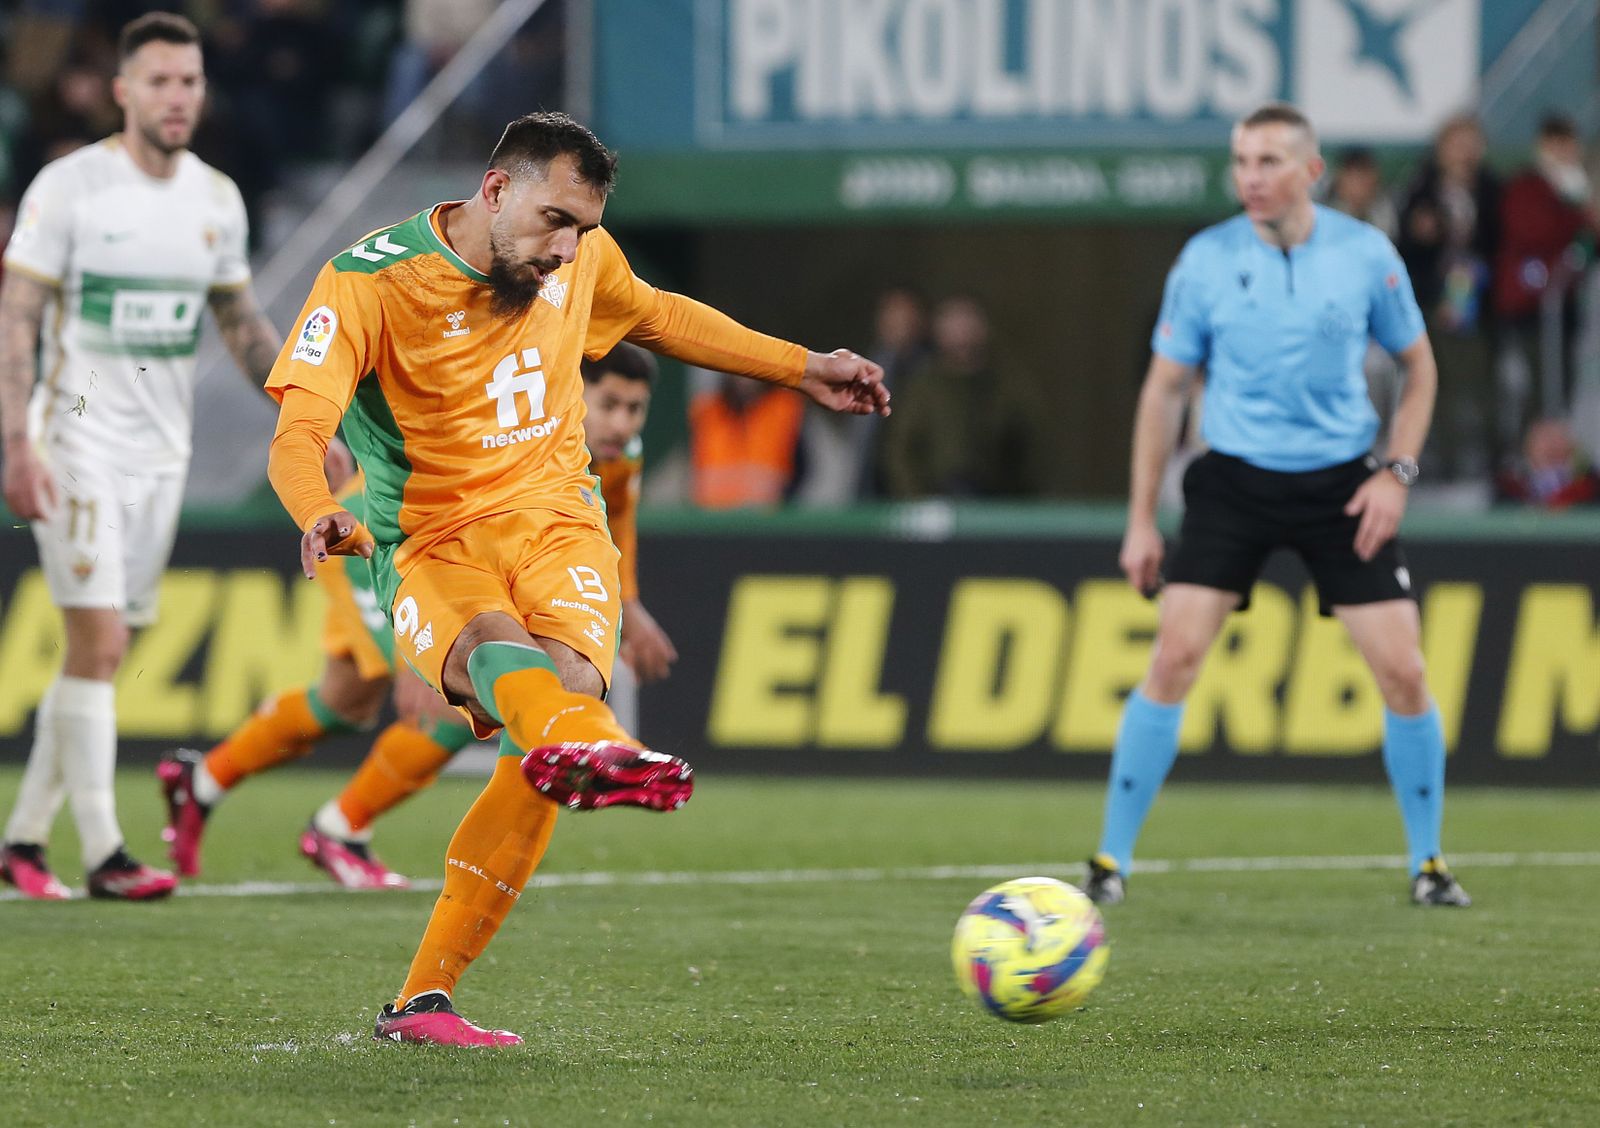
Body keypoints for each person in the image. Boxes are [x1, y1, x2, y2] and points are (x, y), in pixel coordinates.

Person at [263, 111, 888, 1046]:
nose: (568, 249)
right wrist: (316, 505)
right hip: (436, 540)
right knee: (500, 660)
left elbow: (663, 316)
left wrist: (805, 368)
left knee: (558, 704)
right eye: (556, 220)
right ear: (496, 188)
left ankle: (426, 997)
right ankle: (594, 749)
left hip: (559, 521)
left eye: (585, 228)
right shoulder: (367, 282)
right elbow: (299, 432)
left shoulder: (581, 258)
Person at [1082, 103, 1469, 910]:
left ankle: (1429, 866)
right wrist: (1142, 518)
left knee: (1404, 670)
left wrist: (1396, 472)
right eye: (1241, 162)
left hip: (1341, 483)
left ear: (1310, 171)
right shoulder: (1205, 261)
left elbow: (1419, 369)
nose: (1249, 178)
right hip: (1233, 480)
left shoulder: (1366, 255)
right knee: (1174, 657)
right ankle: (1109, 862)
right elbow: (1163, 393)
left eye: (1267, 161)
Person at [155, 342, 677, 889]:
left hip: (440, 557)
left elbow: (614, 524)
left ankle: (203, 782)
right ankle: (340, 829)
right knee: (455, 704)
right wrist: (419, 653)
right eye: (609, 403)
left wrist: (631, 605)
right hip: (379, 539)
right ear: (572, 391)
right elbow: (434, 519)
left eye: (635, 408)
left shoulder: (624, 456)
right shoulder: (520, 424)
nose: (621, 422)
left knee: (342, 702)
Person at [0, 14, 303, 901]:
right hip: (76, 437)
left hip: (162, 451)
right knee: (96, 641)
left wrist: (303, 419)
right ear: (124, 89)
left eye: (191, 81)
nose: (178, 97)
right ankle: (104, 853)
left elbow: (242, 325)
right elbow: (16, 316)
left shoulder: (215, 199)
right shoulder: (72, 187)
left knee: (105, 648)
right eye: (161, 81)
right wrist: (16, 438)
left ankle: (21, 841)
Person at [1493, 113, 1597, 429]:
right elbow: (1535, 232)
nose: (1566, 152)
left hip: (1563, 300)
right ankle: (1529, 457)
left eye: (1570, 144)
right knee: (1539, 382)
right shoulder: (1528, 185)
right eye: (1558, 144)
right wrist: (1578, 214)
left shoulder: (1576, 187)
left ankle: (1555, 452)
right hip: (1529, 303)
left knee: (1560, 381)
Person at [878, 295, 1035, 498]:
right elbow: (901, 448)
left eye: (967, 321)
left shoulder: (1006, 386)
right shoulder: (923, 386)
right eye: (953, 322)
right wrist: (915, 498)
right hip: (937, 498)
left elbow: (1029, 447)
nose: (961, 331)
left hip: (996, 500)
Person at [688, 368, 806, 508]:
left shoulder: (784, 407)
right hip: (714, 517)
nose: (745, 378)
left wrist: (783, 497)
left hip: (765, 518)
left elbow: (802, 466)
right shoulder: (707, 410)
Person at [1494, 416, 1600, 509]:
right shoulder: (1510, 488)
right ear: (1529, 448)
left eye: (1557, 439)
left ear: (1571, 446)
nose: (1551, 446)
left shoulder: (1591, 485)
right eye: (1544, 439)